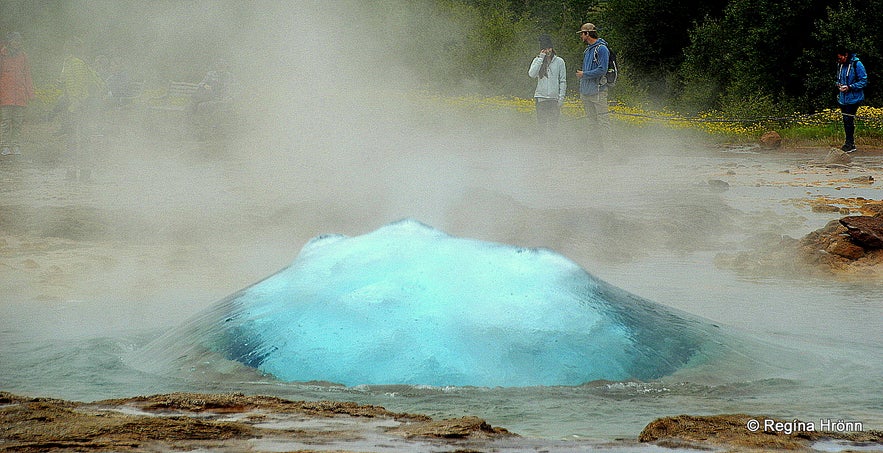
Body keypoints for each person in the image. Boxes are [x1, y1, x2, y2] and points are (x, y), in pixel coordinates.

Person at [57, 38, 105, 181]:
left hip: (76, 107)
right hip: (82, 106)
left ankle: (71, 172)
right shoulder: (79, 63)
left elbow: (78, 86)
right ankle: (85, 172)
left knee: (72, 140)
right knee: (84, 139)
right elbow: (96, 83)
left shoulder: (73, 63)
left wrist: (76, 102)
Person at [576, 23, 612, 152]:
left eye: (582, 33)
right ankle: (593, 150)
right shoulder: (588, 50)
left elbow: (602, 69)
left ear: (587, 34)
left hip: (598, 92)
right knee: (592, 123)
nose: (581, 36)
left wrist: (584, 74)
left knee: (603, 122)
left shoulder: (601, 49)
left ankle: (608, 151)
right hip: (586, 92)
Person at [0, 32, 35, 156]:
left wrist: (31, 94)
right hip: (5, 95)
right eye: (14, 40)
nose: (17, 43)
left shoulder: (23, 56)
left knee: (18, 122)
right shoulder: (2, 55)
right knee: (5, 122)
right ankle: (4, 146)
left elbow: (27, 76)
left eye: (19, 41)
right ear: (9, 41)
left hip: (20, 96)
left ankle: (15, 145)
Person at [528, 34, 566, 133]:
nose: (548, 51)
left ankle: (552, 145)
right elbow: (532, 74)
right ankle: (542, 145)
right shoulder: (537, 60)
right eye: (545, 49)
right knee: (542, 126)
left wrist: (561, 98)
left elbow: (562, 81)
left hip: (554, 99)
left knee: (553, 126)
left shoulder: (559, 62)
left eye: (549, 48)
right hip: (541, 98)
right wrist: (541, 58)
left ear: (552, 48)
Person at [835, 48, 868, 154]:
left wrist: (850, 87)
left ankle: (850, 143)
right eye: (837, 59)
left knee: (849, 120)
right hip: (843, 98)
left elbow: (863, 81)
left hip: (854, 98)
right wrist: (838, 84)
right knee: (845, 120)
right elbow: (839, 78)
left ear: (846, 55)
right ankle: (849, 142)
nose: (839, 61)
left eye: (840, 58)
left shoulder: (857, 64)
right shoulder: (840, 65)